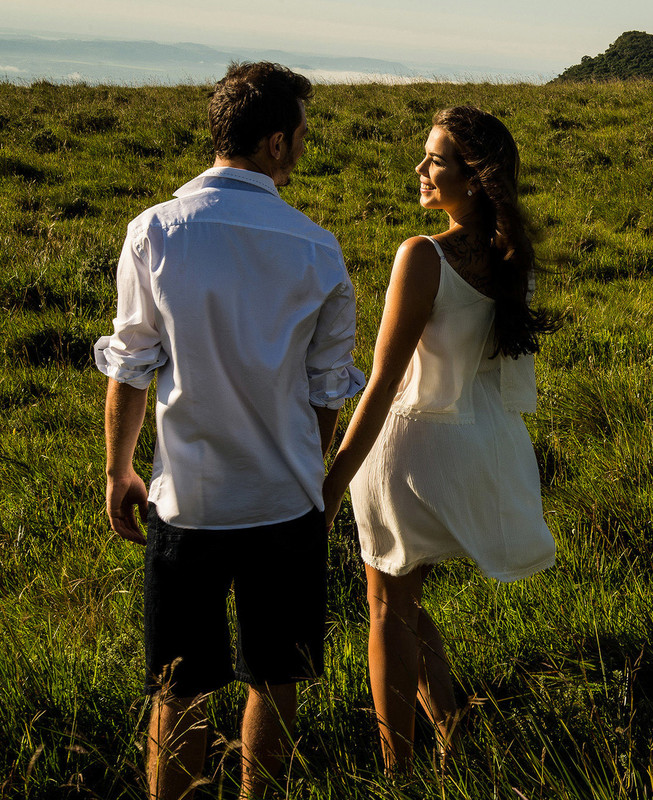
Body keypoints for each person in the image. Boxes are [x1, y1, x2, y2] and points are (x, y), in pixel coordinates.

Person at [95, 62, 365, 800]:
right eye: (303, 138)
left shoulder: (155, 231)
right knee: (276, 678)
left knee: (177, 688)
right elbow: (326, 387)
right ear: (277, 143)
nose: (304, 151)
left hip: (187, 500)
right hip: (285, 500)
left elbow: (131, 364)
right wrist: (307, 466)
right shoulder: (318, 248)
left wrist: (121, 469)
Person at [322, 105, 557, 771]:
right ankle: (451, 733)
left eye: (437, 161)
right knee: (405, 599)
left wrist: (330, 486)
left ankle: (397, 770)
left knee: (385, 608)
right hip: (482, 443)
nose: (421, 170)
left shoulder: (422, 255)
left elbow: (383, 384)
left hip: (409, 450)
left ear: (475, 178)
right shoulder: (515, 259)